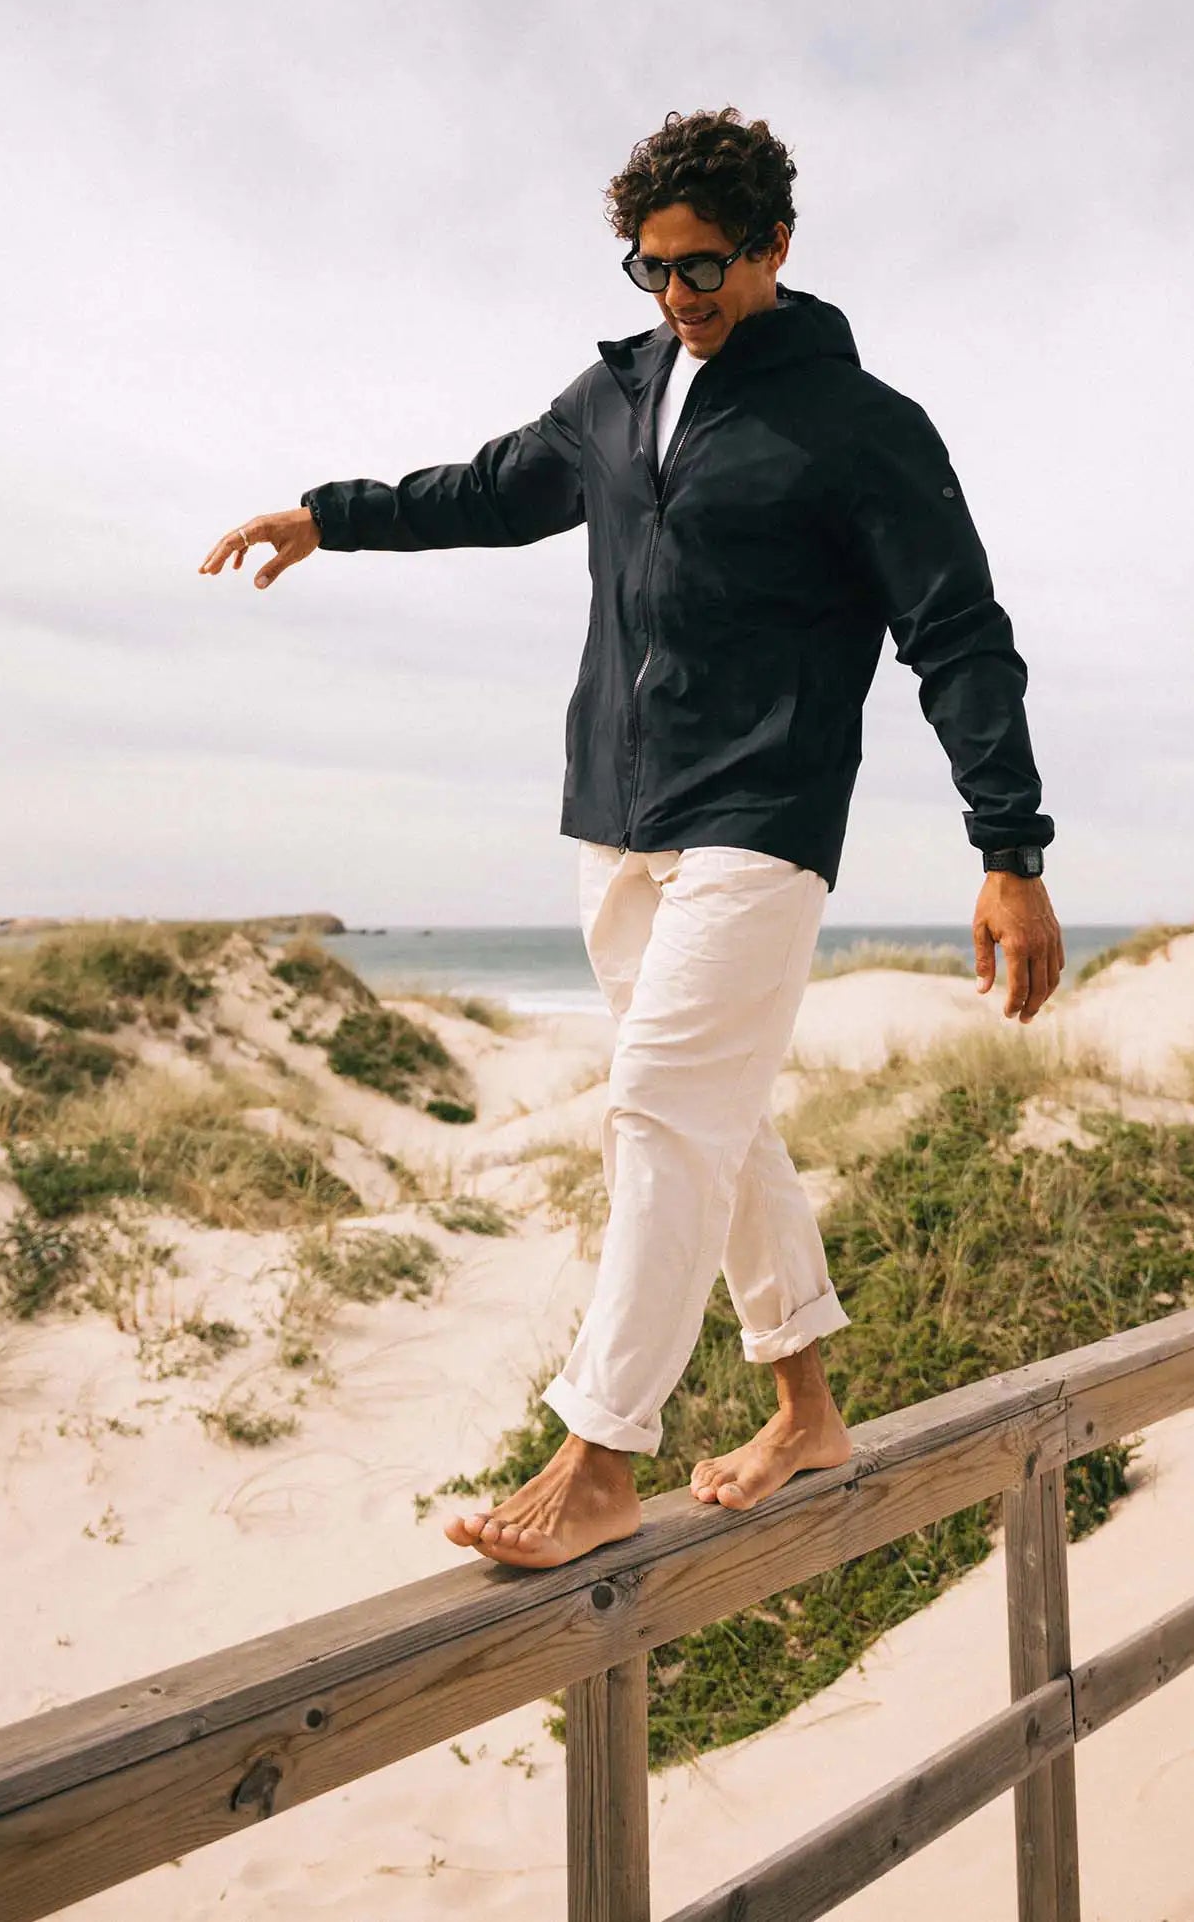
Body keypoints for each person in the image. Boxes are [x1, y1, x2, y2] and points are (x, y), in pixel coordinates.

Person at [199, 107, 1063, 1570]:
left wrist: (1011, 847)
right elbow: (488, 490)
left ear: (777, 245)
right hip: (614, 808)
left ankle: (601, 1451)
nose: (679, 295)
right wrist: (330, 519)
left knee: (660, 1098)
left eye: (707, 264)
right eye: (651, 269)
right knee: (715, 1112)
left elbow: (961, 637)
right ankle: (805, 1401)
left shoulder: (862, 426)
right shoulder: (615, 396)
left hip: (764, 808)